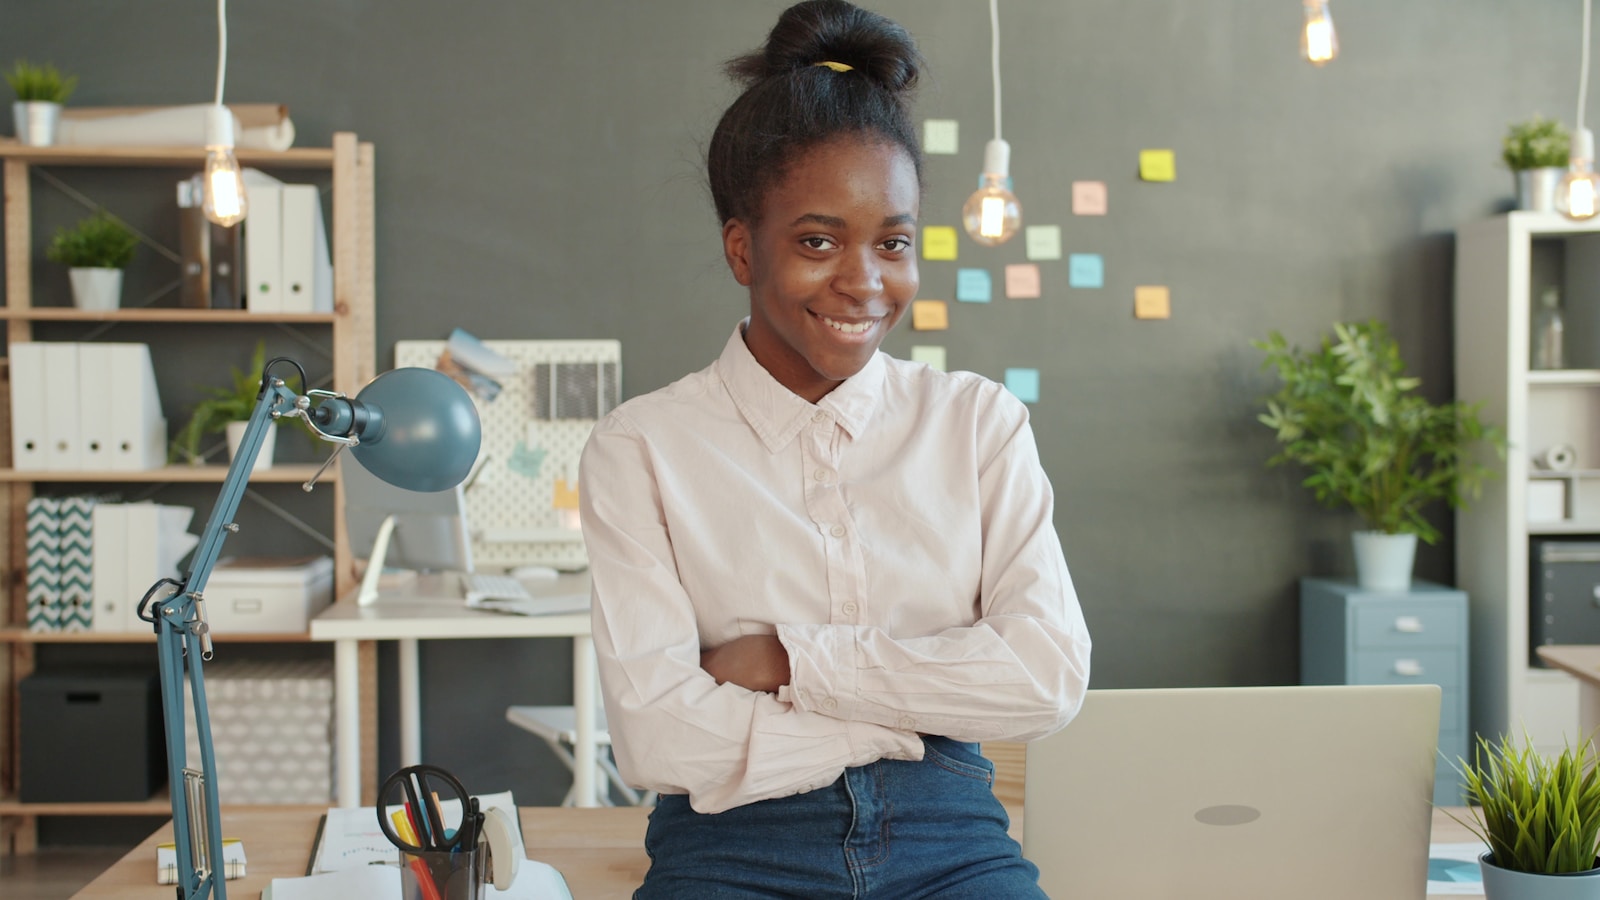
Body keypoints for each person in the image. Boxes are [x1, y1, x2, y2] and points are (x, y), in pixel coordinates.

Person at [578, 1, 1091, 895]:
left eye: (892, 242)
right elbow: (659, 735)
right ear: (743, 249)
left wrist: (788, 661)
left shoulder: (978, 424)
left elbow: (1045, 679)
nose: (863, 282)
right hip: (733, 847)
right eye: (818, 241)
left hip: (951, 839)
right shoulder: (642, 449)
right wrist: (902, 719)